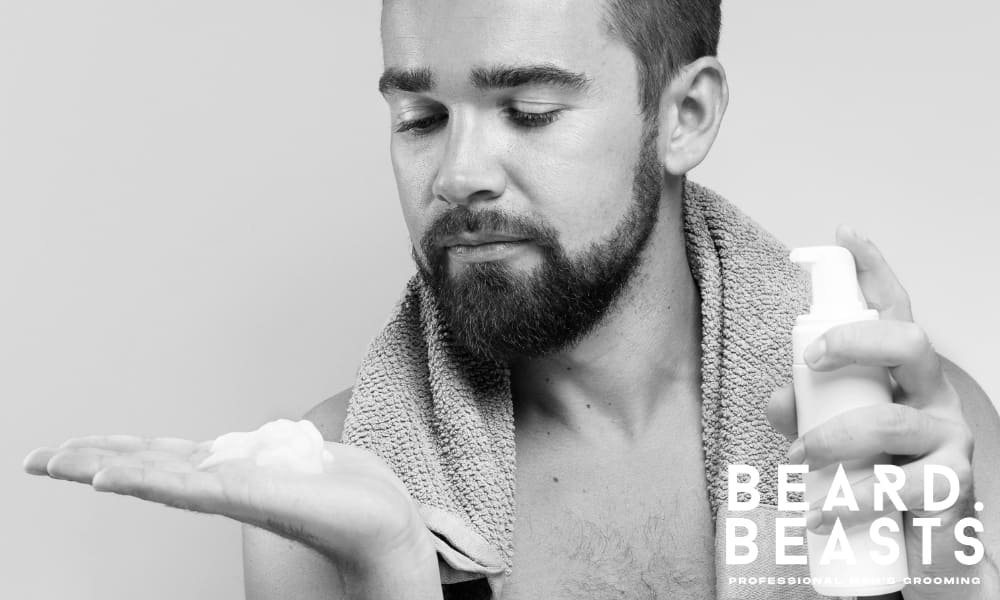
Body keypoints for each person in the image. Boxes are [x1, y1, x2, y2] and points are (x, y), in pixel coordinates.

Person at [23, 1, 1000, 598]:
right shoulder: (322, 492)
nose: (457, 175)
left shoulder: (912, 439)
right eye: (419, 117)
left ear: (684, 115)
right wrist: (388, 574)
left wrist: (952, 581)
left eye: (528, 111)